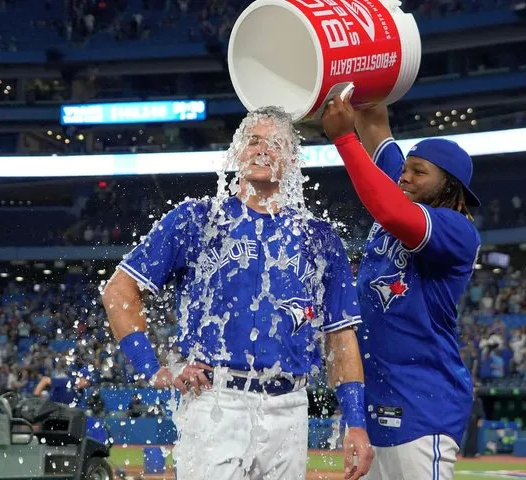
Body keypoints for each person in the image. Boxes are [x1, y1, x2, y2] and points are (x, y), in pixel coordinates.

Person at [102, 106, 374, 480]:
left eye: (276, 143)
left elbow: (340, 337)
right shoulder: (196, 218)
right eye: (253, 140)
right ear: (236, 152)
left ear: (293, 160)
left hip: (290, 406)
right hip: (215, 401)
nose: (262, 150)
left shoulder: (321, 239)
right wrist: (153, 369)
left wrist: (355, 421)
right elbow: (119, 289)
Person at [321, 96, 481, 480]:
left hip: (423, 406)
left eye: (418, 172)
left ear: (448, 186)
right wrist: (363, 83)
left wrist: (344, 140)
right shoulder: (405, 189)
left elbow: (390, 211)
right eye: (404, 169)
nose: (405, 177)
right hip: (375, 403)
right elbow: (376, 122)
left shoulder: (456, 229)